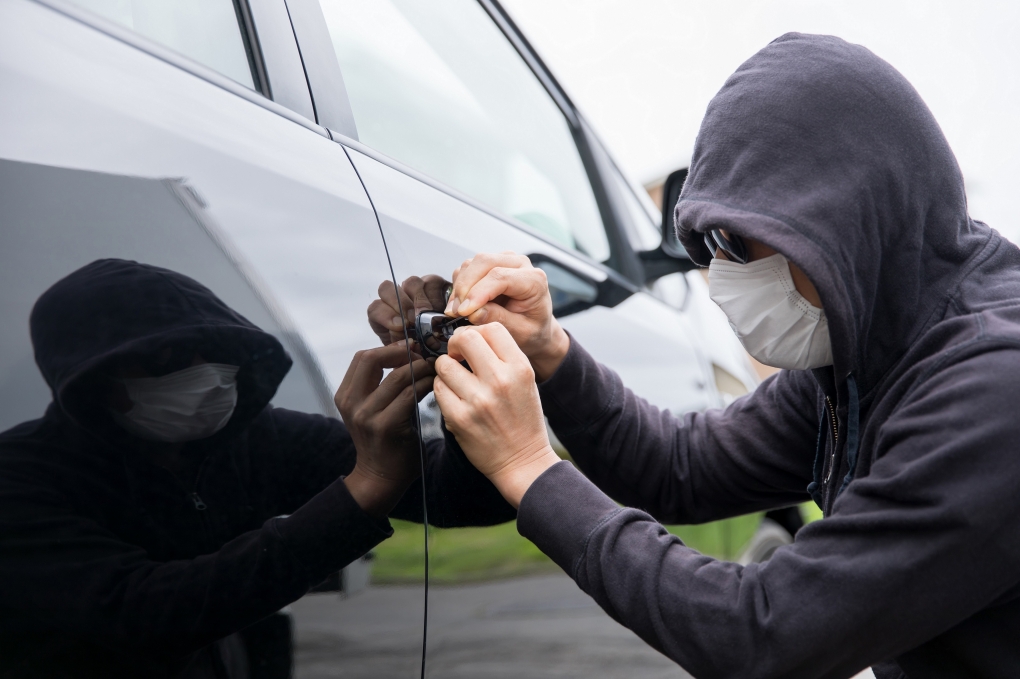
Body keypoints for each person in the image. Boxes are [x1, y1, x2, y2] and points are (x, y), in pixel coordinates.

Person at [422, 34, 1020, 679]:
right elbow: (681, 468)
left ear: (841, 218)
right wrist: (552, 353)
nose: (720, 276)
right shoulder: (868, 353)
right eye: (709, 246)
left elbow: (766, 634)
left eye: (740, 242)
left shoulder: (992, 388)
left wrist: (527, 467)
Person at [0, 259, 511, 678]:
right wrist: (366, 489)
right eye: (166, 357)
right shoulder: (22, 475)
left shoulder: (264, 439)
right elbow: (144, 614)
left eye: (222, 352)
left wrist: (457, 366)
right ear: (90, 380)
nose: (206, 372)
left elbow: (464, 500)